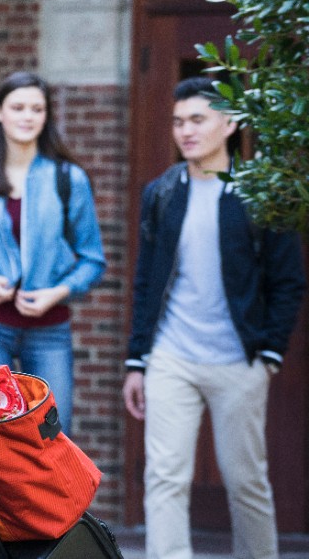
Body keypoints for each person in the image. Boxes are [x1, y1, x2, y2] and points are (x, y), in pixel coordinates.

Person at [122, 77, 304, 559]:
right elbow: (146, 282)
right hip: (170, 358)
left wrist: (268, 353)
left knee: (247, 481)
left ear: (229, 123)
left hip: (238, 361)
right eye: (179, 121)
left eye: (198, 119)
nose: (186, 131)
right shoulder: (161, 193)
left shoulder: (260, 194)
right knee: (164, 478)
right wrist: (137, 361)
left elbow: (289, 282)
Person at [0, 71, 105, 434]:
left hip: (49, 328)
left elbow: (92, 260)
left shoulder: (68, 178)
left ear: (46, 117)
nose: (28, 116)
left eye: (37, 109)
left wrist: (58, 292)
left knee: (53, 435)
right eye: (18, 107)